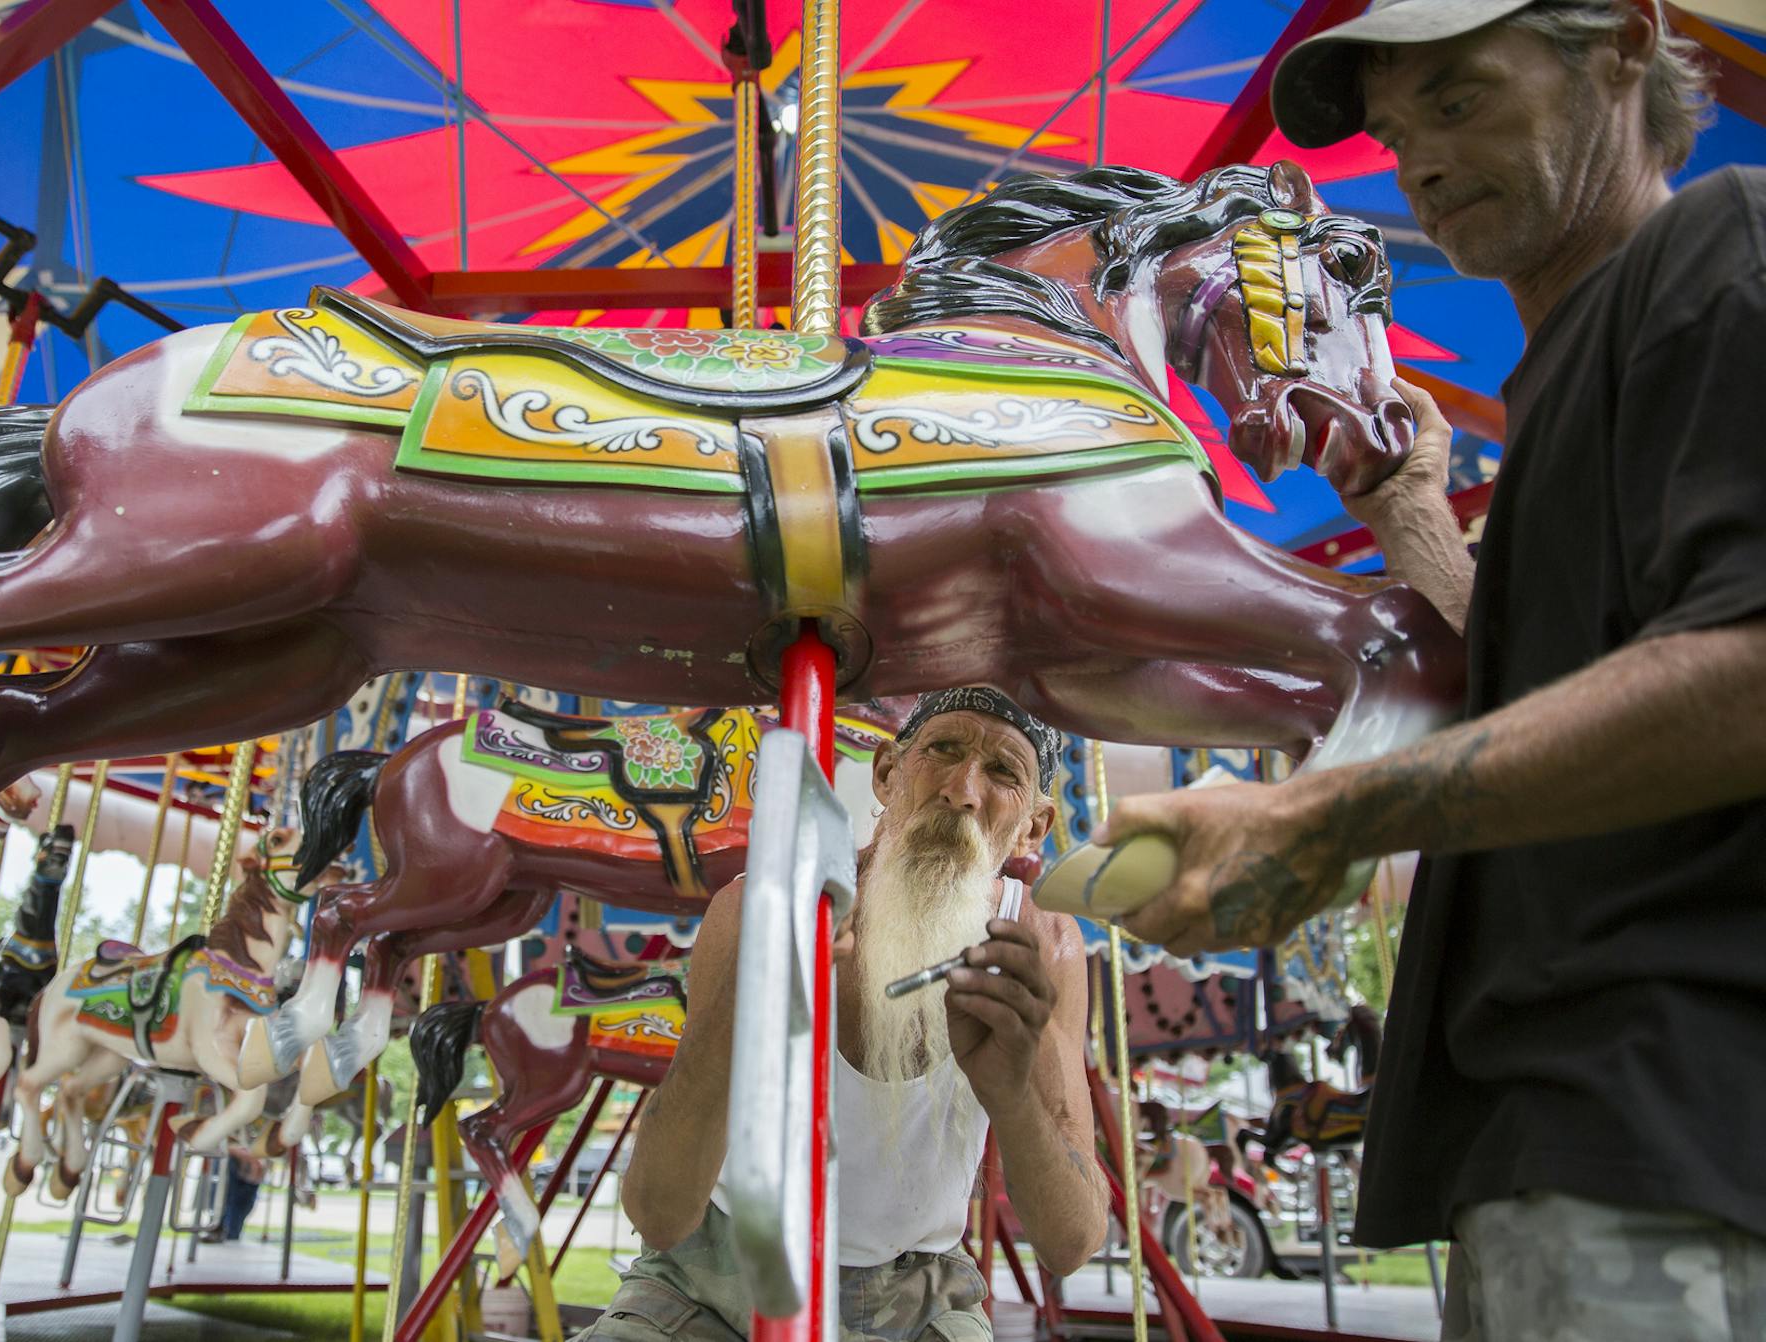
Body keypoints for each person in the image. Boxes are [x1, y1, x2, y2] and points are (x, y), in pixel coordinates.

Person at [1101, 0, 1766, 1335]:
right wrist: (1411, 512)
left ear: (1626, 44)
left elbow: (1748, 667)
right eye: (1401, 136)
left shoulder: (1719, 246)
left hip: (1671, 1119)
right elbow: (1560, 694)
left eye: (1460, 102)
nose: (1422, 163)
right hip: (1539, 1136)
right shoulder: (1562, 375)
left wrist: (1321, 810)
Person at [592, 689, 1108, 1342]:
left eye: (1003, 772)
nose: (962, 790)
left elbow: (1072, 1241)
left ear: (1034, 825)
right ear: (888, 774)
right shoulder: (762, 907)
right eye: (943, 750)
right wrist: (751, 1003)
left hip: (919, 1295)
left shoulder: (1042, 942)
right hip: (713, 1277)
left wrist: (1012, 1094)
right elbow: (659, 1213)